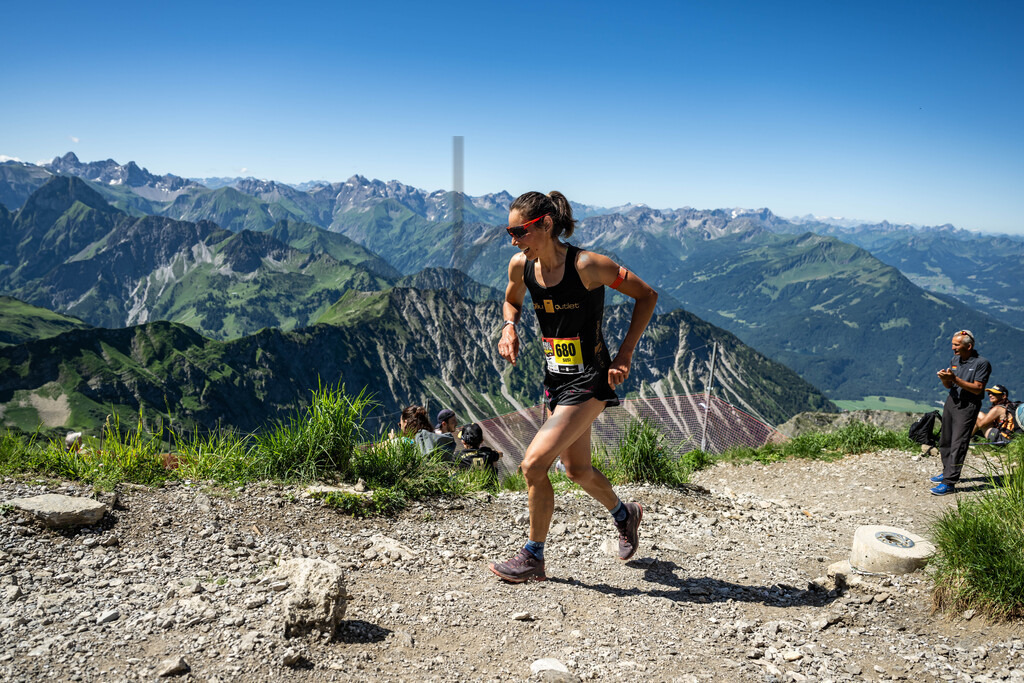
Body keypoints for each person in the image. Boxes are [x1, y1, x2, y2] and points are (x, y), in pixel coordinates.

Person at [489, 190, 658, 582]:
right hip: (555, 381)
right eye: (509, 232)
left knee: (533, 465)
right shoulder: (521, 266)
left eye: (520, 231)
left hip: (591, 380)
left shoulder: (588, 265)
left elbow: (646, 295)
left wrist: (625, 354)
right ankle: (625, 514)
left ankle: (533, 556)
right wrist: (509, 326)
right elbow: (511, 301)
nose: (513, 240)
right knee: (577, 469)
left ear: (546, 224)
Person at [931, 329, 991, 495]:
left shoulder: (981, 363)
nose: (953, 348)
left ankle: (949, 483)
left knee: (959, 443)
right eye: (952, 344)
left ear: (969, 346)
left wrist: (954, 379)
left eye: (956, 345)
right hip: (952, 401)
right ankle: (947, 471)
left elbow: (978, 389)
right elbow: (950, 385)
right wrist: (945, 379)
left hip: (968, 406)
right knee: (946, 439)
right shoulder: (955, 360)